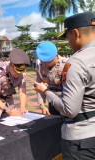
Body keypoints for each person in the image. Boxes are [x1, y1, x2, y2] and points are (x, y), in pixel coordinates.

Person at [34, 12, 95, 160]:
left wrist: (46, 91)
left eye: (68, 38)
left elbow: (69, 110)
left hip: (81, 140)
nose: (68, 43)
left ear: (75, 33)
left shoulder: (76, 62)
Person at [0, 48, 30, 121]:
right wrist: (8, 111)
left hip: (8, 101)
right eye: (16, 71)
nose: (18, 74)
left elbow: (22, 92)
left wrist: (22, 107)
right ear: (10, 65)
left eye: (20, 72)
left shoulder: (22, 75)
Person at [35, 41, 68, 115]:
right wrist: (42, 105)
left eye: (48, 61)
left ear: (56, 56)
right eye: (42, 61)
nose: (45, 64)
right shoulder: (40, 67)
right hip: (52, 101)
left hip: (67, 102)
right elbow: (39, 86)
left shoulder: (67, 65)